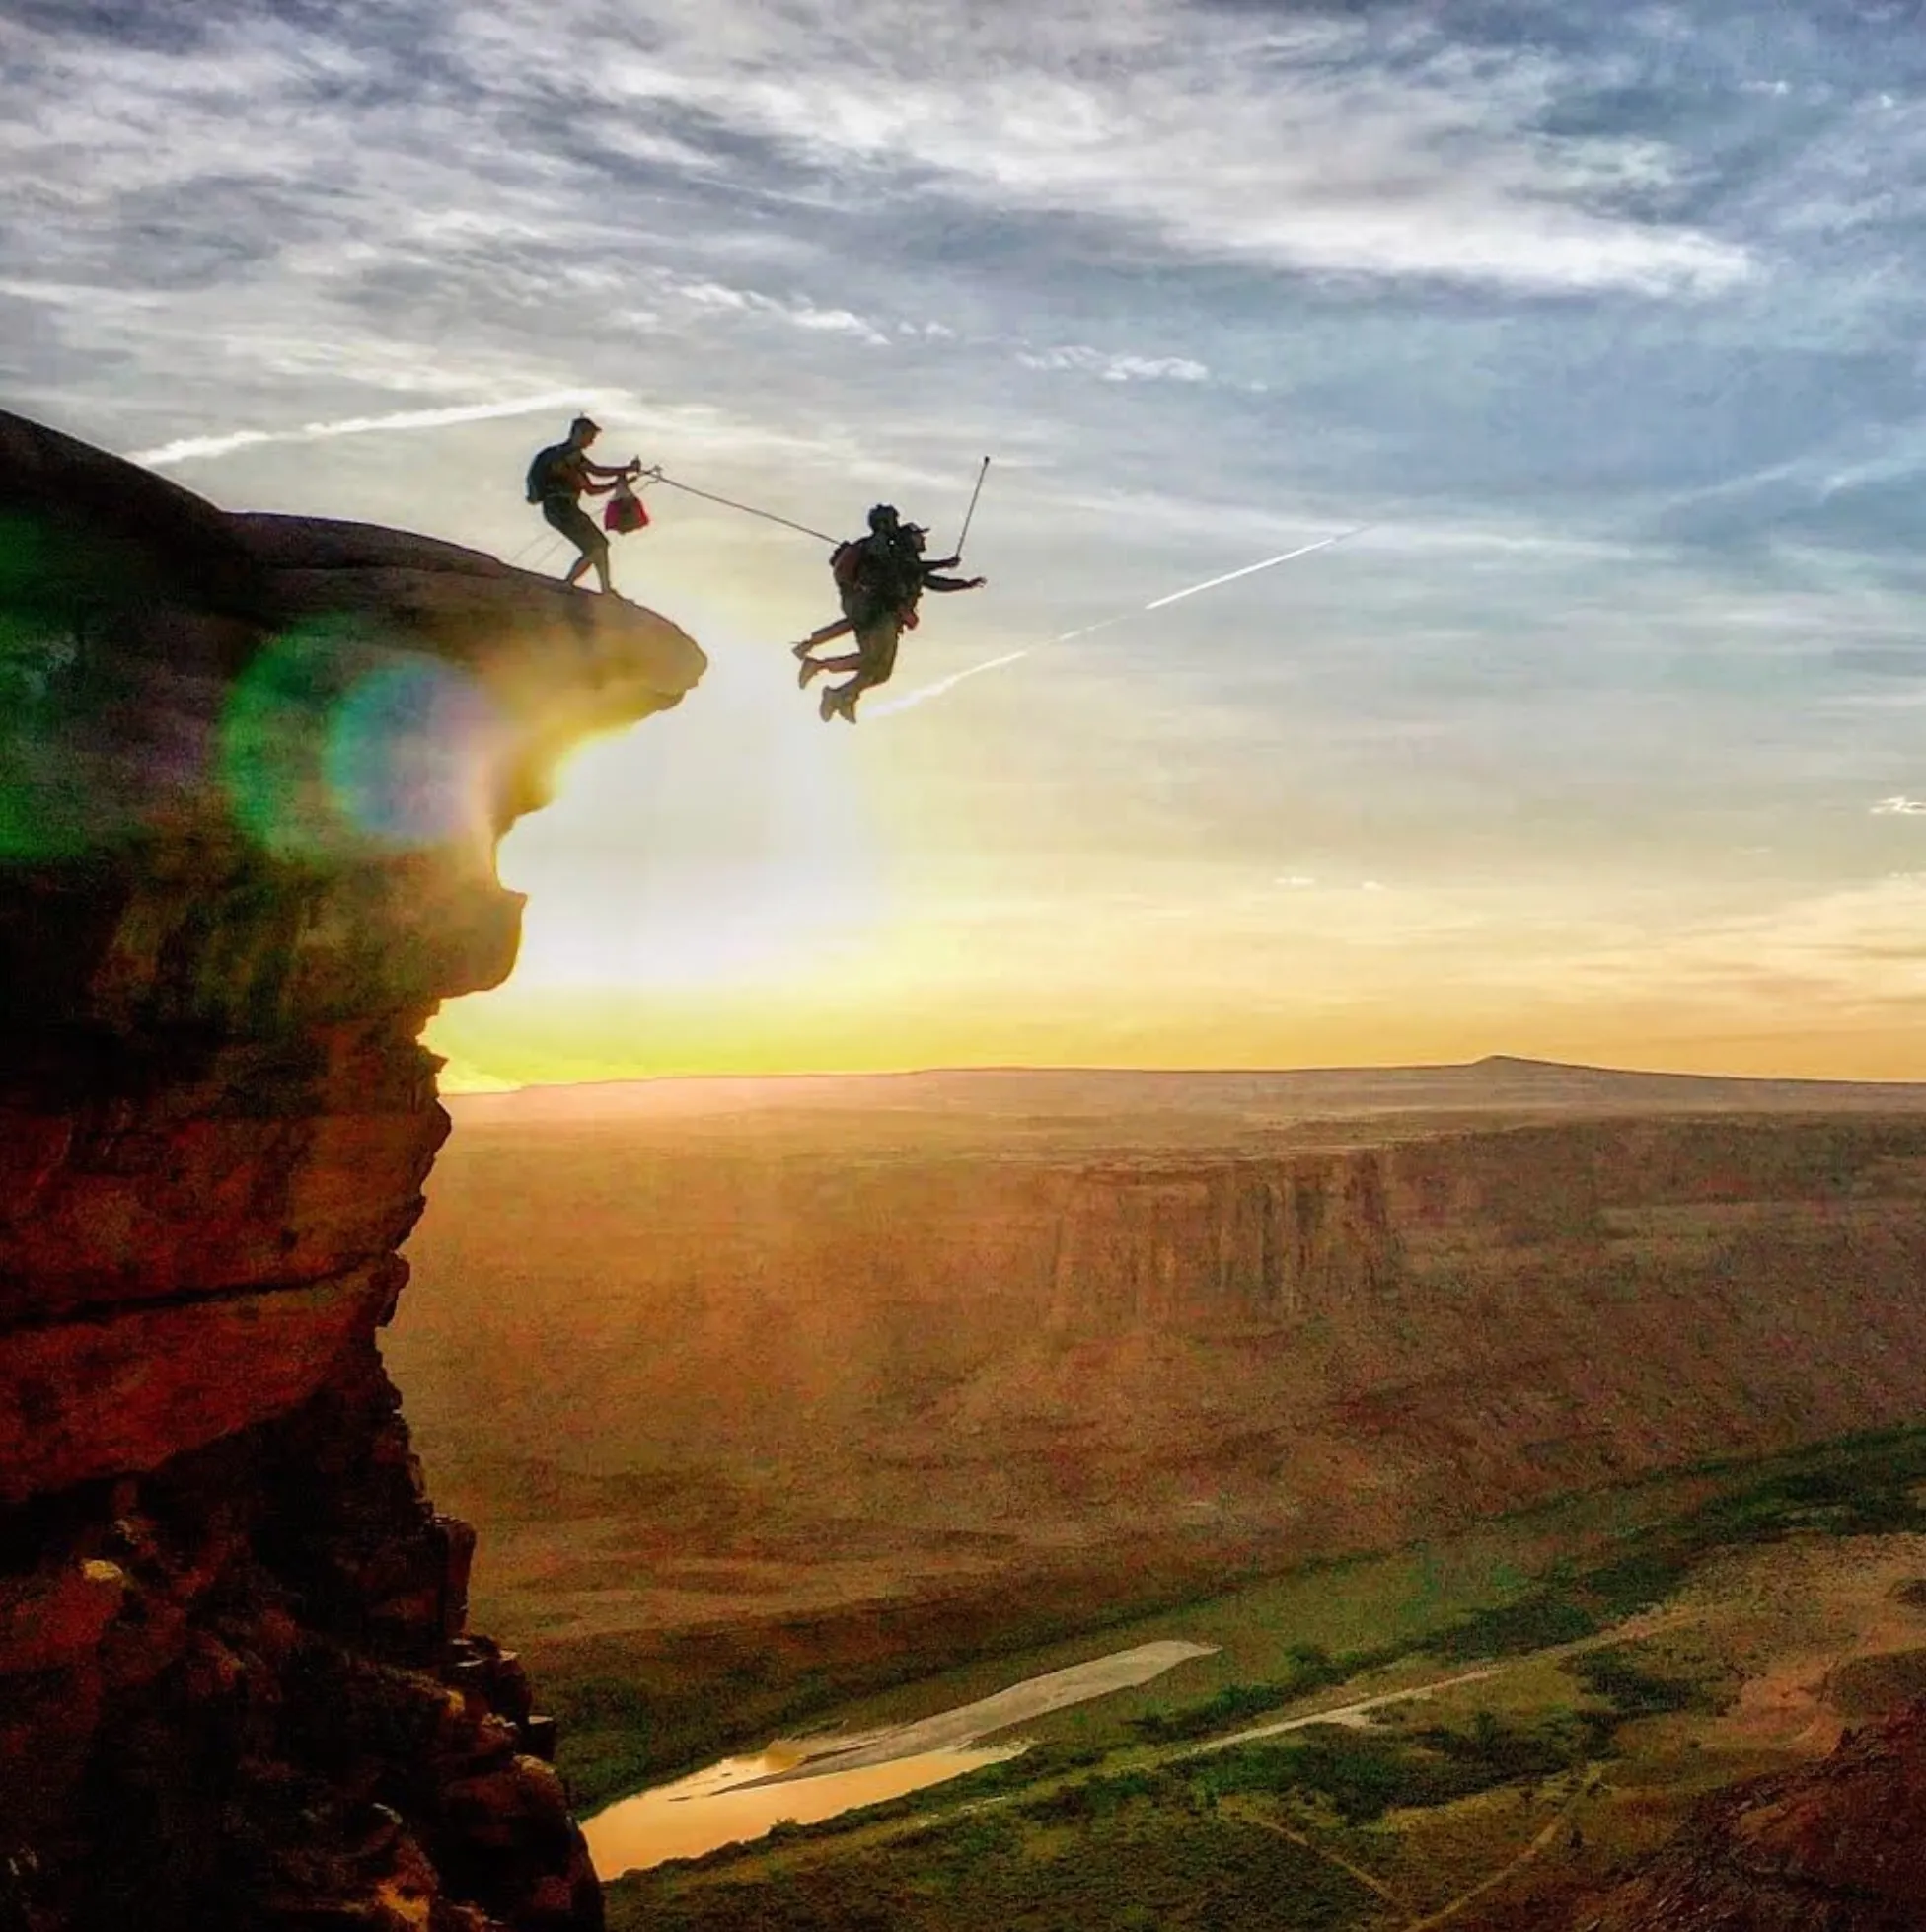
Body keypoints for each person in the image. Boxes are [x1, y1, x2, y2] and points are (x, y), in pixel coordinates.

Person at [793, 509, 986, 723]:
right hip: (879, 613)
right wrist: (943, 564)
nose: (923, 539)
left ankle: (841, 693)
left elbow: (931, 581)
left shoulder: (901, 555)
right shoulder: (890, 548)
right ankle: (831, 683)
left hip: (882, 615)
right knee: (875, 662)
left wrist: (964, 584)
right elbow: (907, 569)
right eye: (919, 535)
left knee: (881, 671)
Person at [524, 416, 640, 594]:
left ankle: (603, 589)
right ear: (578, 433)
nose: (592, 442)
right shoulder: (568, 455)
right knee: (597, 546)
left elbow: (591, 490)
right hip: (560, 508)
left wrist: (619, 484)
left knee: (598, 546)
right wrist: (627, 468)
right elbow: (597, 471)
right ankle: (571, 585)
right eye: (590, 436)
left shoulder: (570, 461)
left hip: (562, 509)